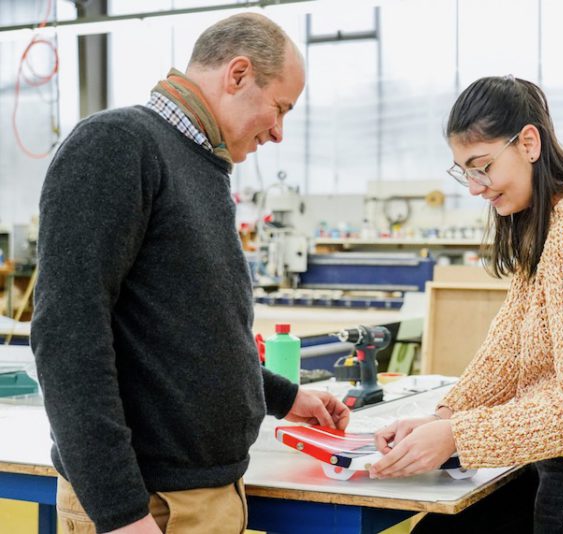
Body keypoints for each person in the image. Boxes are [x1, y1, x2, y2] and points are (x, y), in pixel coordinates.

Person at [32, 13, 349, 534]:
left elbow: (190, 335)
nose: (278, 132)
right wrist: (121, 513)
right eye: (280, 109)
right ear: (239, 74)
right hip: (150, 506)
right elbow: (69, 337)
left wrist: (285, 398)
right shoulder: (117, 145)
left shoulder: (200, 165)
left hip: (201, 496)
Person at [369, 76, 563, 533]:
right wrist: (439, 419)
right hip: (562, 463)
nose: (476, 187)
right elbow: (506, 352)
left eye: (482, 167)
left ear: (529, 143)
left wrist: (458, 436)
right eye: (465, 172)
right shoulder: (545, 224)